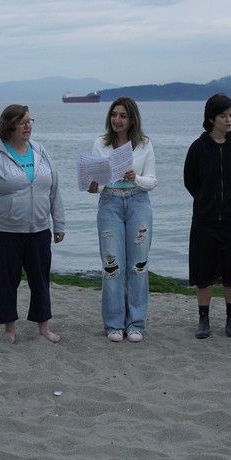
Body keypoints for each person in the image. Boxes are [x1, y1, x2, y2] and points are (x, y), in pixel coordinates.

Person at [0, 104, 65, 344]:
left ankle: (44, 327)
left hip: (39, 229)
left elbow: (54, 189)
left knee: (40, 279)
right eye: (22, 121)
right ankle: (10, 329)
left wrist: (60, 224)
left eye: (30, 120)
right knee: (6, 282)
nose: (28, 126)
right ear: (9, 125)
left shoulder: (41, 151)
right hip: (4, 232)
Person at [87, 97, 157, 343]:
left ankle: (136, 323)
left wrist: (134, 177)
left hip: (138, 202)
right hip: (110, 202)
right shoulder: (100, 143)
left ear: (132, 119)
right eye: (114, 115)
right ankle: (114, 324)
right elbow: (94, 184)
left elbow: (152, 181)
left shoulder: (144, 144)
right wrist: (92, 185)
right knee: (112, 265)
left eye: (123, 116)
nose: (117, 120)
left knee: (138, 265)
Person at [184, 93, 231, 339]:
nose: (228, 119)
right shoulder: (198, 147)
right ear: (211, 118)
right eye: (223, 115)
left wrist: (229, 201)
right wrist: (206, 201)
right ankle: (204, 319)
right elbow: (190, 181)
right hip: (205, 219)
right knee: (204, 272)